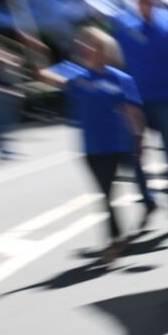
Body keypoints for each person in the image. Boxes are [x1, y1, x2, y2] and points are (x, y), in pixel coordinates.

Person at [39, 27, 147, 262]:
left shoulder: (120, 79)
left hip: (115, 143)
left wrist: (139, 139)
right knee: (105, 194)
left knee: (107, 193)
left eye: (95, 46)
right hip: (91, 147)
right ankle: (118, 236)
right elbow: (46, 75)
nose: (90, 50)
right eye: (87, 46)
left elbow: (132, 112)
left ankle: (115, 239)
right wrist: (40, 49)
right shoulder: (77, 76)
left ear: (104, 50)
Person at [112, 0, 168, 224]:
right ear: (139, 4)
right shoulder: (127, 28)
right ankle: (148, 201)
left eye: (151, 3)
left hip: (166, 101)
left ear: (157, 5)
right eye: (144, 2)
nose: (147, 6)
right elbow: (115, 59)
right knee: (134, 152)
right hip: (137, 103)